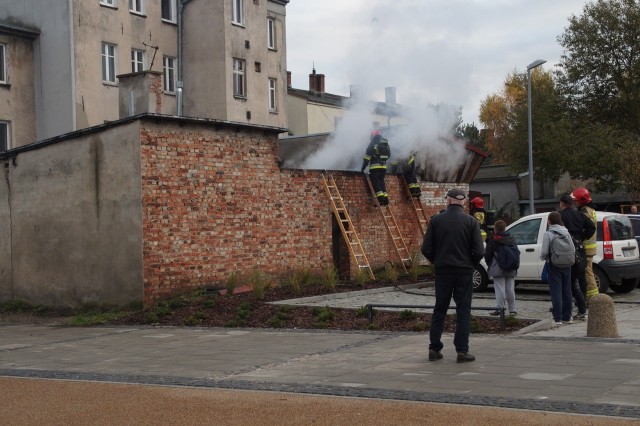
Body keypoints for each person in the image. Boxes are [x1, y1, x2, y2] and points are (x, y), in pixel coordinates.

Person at [421, 188, 485, 363]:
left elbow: (425, 248)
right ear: (463, 202)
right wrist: (470, 263)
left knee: (439, 309)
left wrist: (437, 260)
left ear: (447, 201)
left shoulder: (436, 221)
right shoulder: (471, 222)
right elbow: (479, 250)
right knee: (463, 310)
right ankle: (462, 352)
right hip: (464, 272)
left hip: (443, 271)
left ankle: (434, 349)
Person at [559, 194, 594, 319]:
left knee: (569, 282)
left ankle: (575, 308)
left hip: (567, 250)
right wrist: (581, 238)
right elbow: (592, 227)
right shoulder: (579, 215)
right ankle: (582, 304)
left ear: (562, 203)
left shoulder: (561, 216)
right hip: (579, 249)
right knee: (581, 279)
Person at [540, 211, 574, 326]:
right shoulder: (566, 232)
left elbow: (544, 252)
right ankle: (568, 316)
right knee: (567, 290)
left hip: (554, 264)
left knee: (556, 291)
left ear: (549, 221)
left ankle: (558, 318)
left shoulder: (548, 234)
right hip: (567, 264)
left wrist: (543, 258)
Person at [484, 220, 518, 317]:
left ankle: (499, 308)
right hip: (511, 267)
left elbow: (488, 255)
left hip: (497, 267)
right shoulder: (511, 239)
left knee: (499, 289)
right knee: (510, 288)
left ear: (495, 229)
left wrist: (490, 265)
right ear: (505, 228)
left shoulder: (493, 240)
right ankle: (512, 309)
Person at [571, 187, 599, 300]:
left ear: (581, 200)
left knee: (588, 273)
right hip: (589, 247)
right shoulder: (590, 210)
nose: (574, 203)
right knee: (588, 272)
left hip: (587, 247)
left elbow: (584, 228)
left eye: (576, 201)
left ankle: (594, 298)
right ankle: (591, 297)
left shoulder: (585, 212)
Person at [361, 130, 391, 205]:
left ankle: (380, 199)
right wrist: (382, 160)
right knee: (381, 182)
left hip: (375, 167)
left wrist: (363, 167)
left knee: (376, 182)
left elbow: (367, 156)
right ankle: (386, 199)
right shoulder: (385, 143)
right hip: (383, 167)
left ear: (373, 135)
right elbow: (389, 155)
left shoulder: (373, 142)